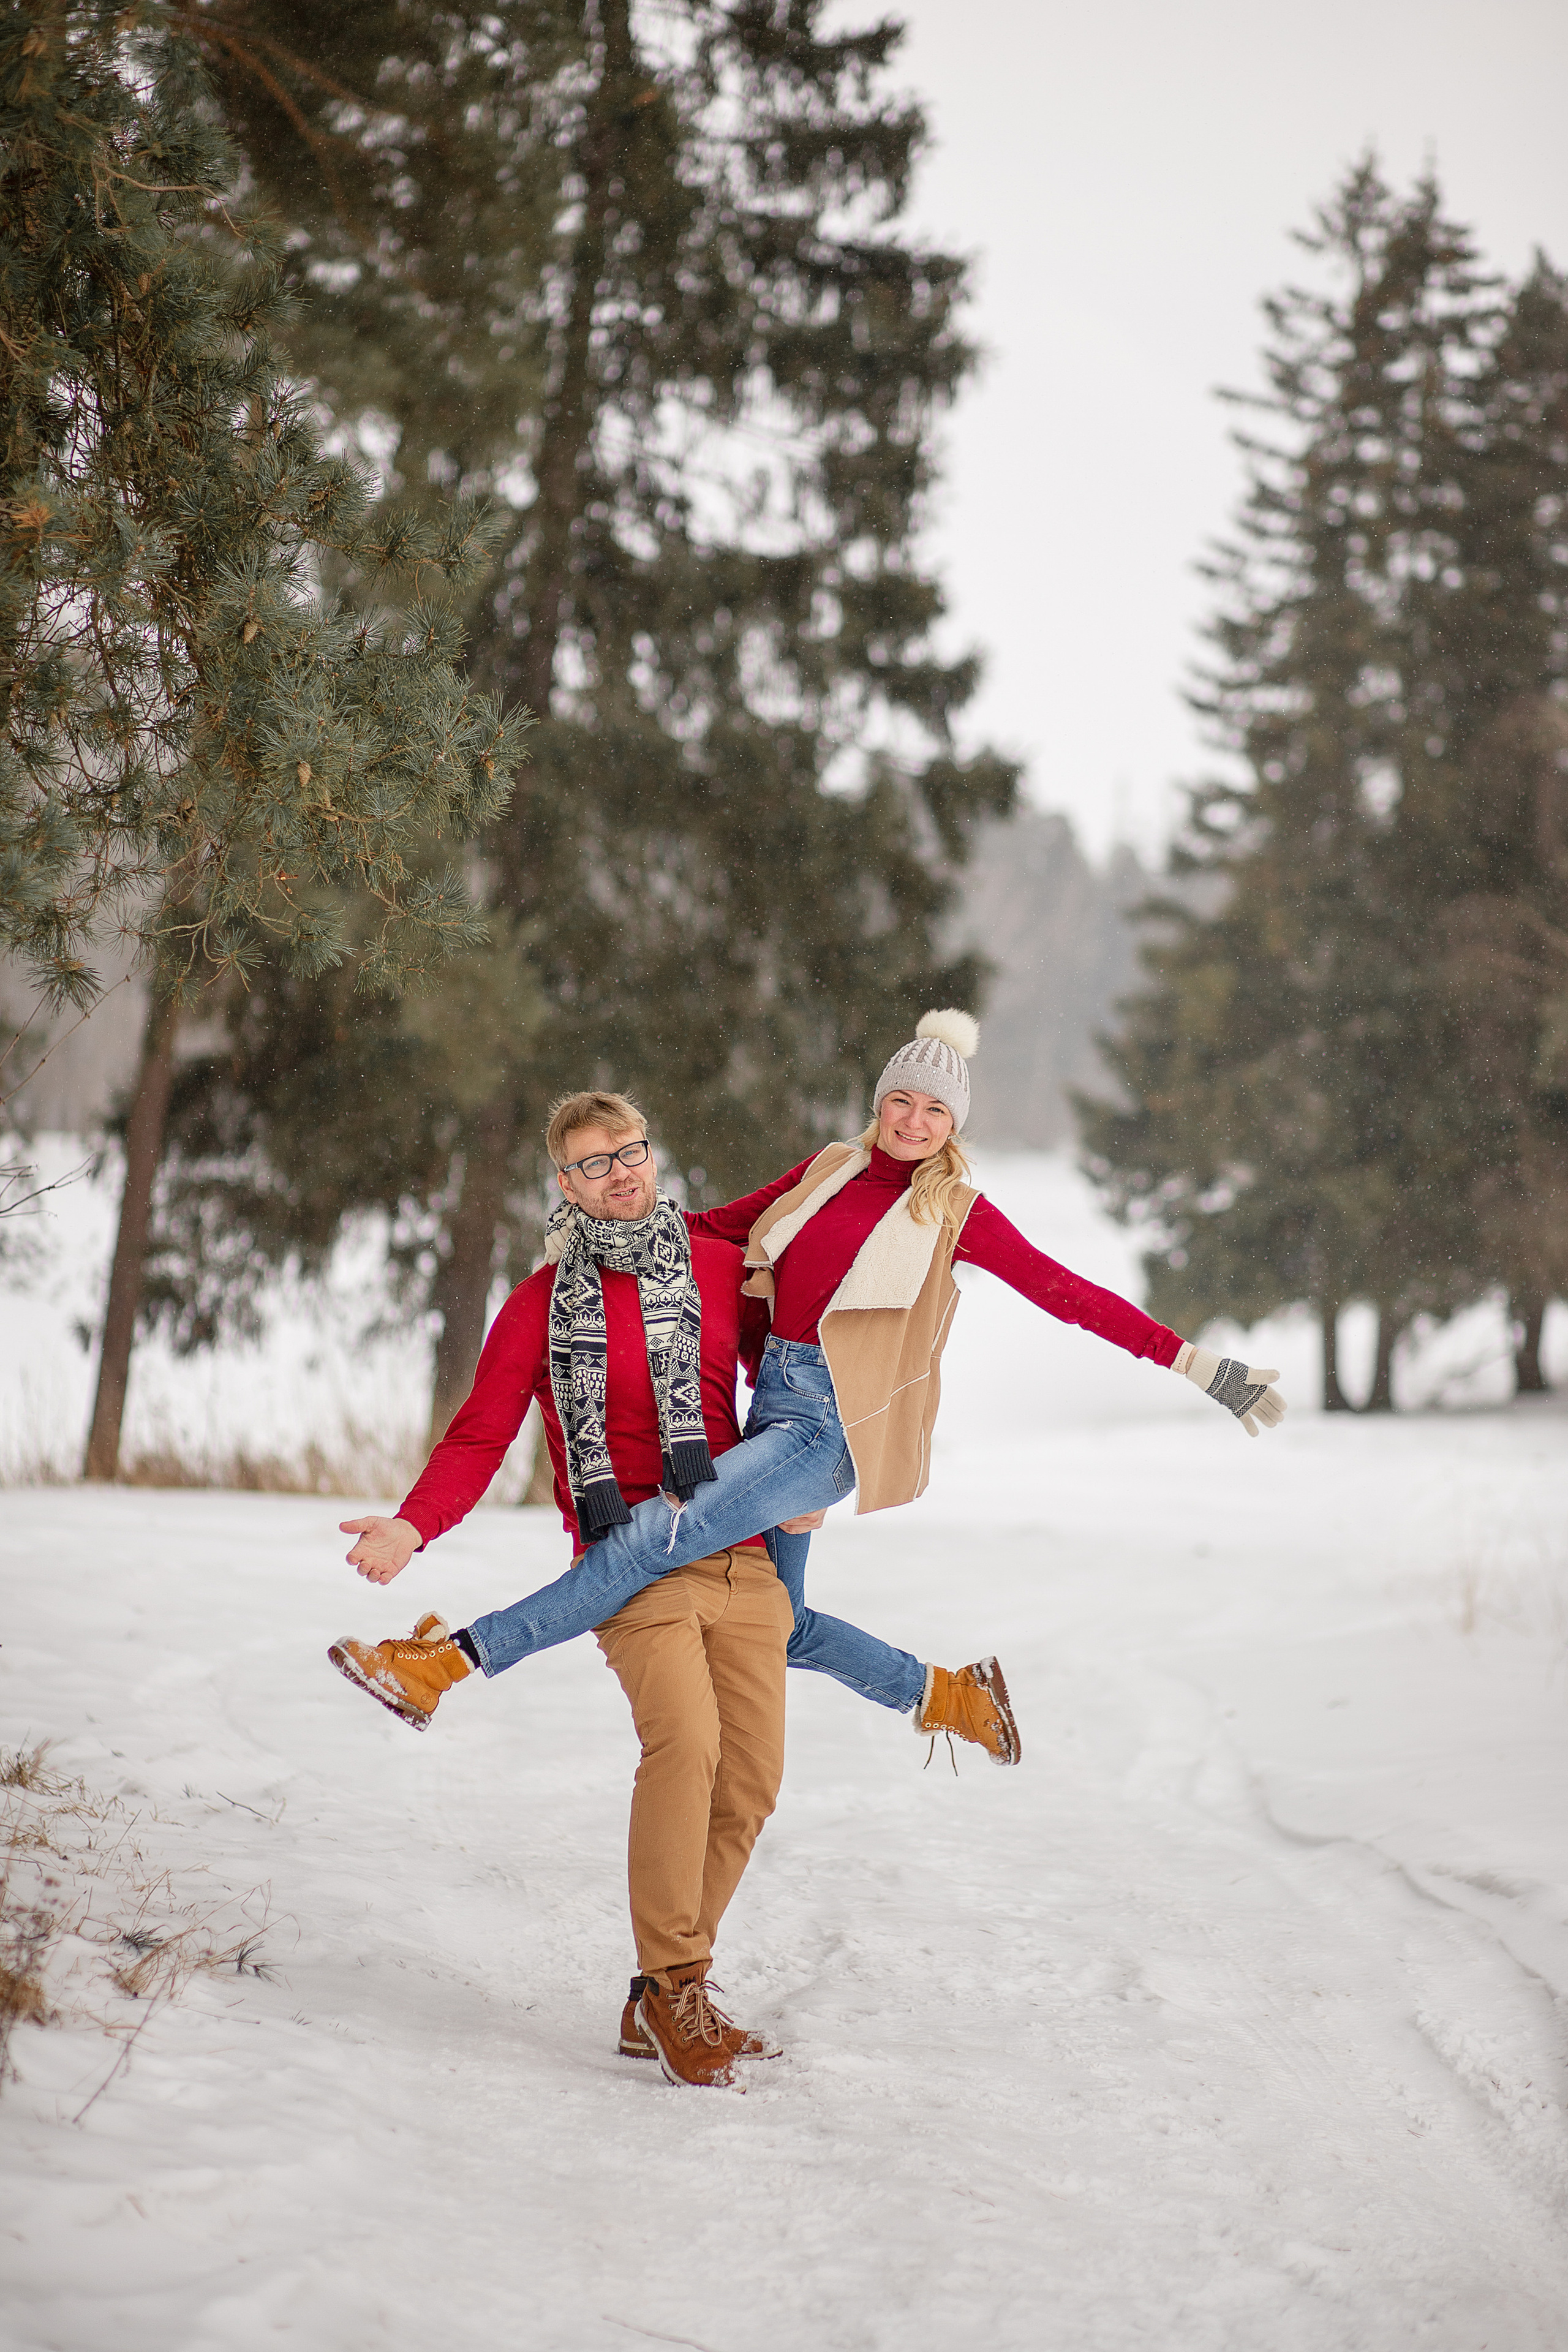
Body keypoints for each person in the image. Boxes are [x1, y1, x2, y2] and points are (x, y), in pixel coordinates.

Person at [336, 1014, 1286, 1756]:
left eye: (937, 1111)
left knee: (645, 1540)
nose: (914, 1123)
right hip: (773, 1414)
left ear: (958, 1123)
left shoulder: (953, 1208)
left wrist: (1198, 1365)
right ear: (880, 1102)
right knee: (784, 1626)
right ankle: (949, 1694)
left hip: (828, 1428)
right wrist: (593, 1241)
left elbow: (1061, 1291)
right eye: (901, 1102)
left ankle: (444, 1664)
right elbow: (713, 1231)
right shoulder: (830, 1171)